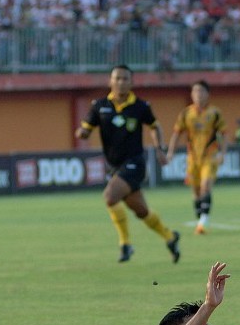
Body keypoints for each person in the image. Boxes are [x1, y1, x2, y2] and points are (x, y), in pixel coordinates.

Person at [75, 64, 181, 264]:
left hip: (135, 163)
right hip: (114, 166)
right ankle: (170, 237)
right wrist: (82, 133)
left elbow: (155, 126)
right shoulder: (99, 106)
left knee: (110, 197)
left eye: (125, 79)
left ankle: (125, 244)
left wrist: (160, 148)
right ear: (110, 81)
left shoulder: (140, 106)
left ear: (132, 82)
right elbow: (86, 128)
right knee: (141, 211)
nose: (121, 82)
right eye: (117, 78)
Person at [167, 80, 228, 235]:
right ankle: (200, 217)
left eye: (201, 91)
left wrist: (223, 153)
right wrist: (170, 152)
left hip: (210, 156)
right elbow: (176, 133)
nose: (198, 95)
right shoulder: (186, 113)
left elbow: (224, 134)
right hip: (192, 158)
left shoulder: (215, 113)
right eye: (195, 92)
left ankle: (203, 221)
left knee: (205, 186)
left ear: (207, 94)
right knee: (195, 192)